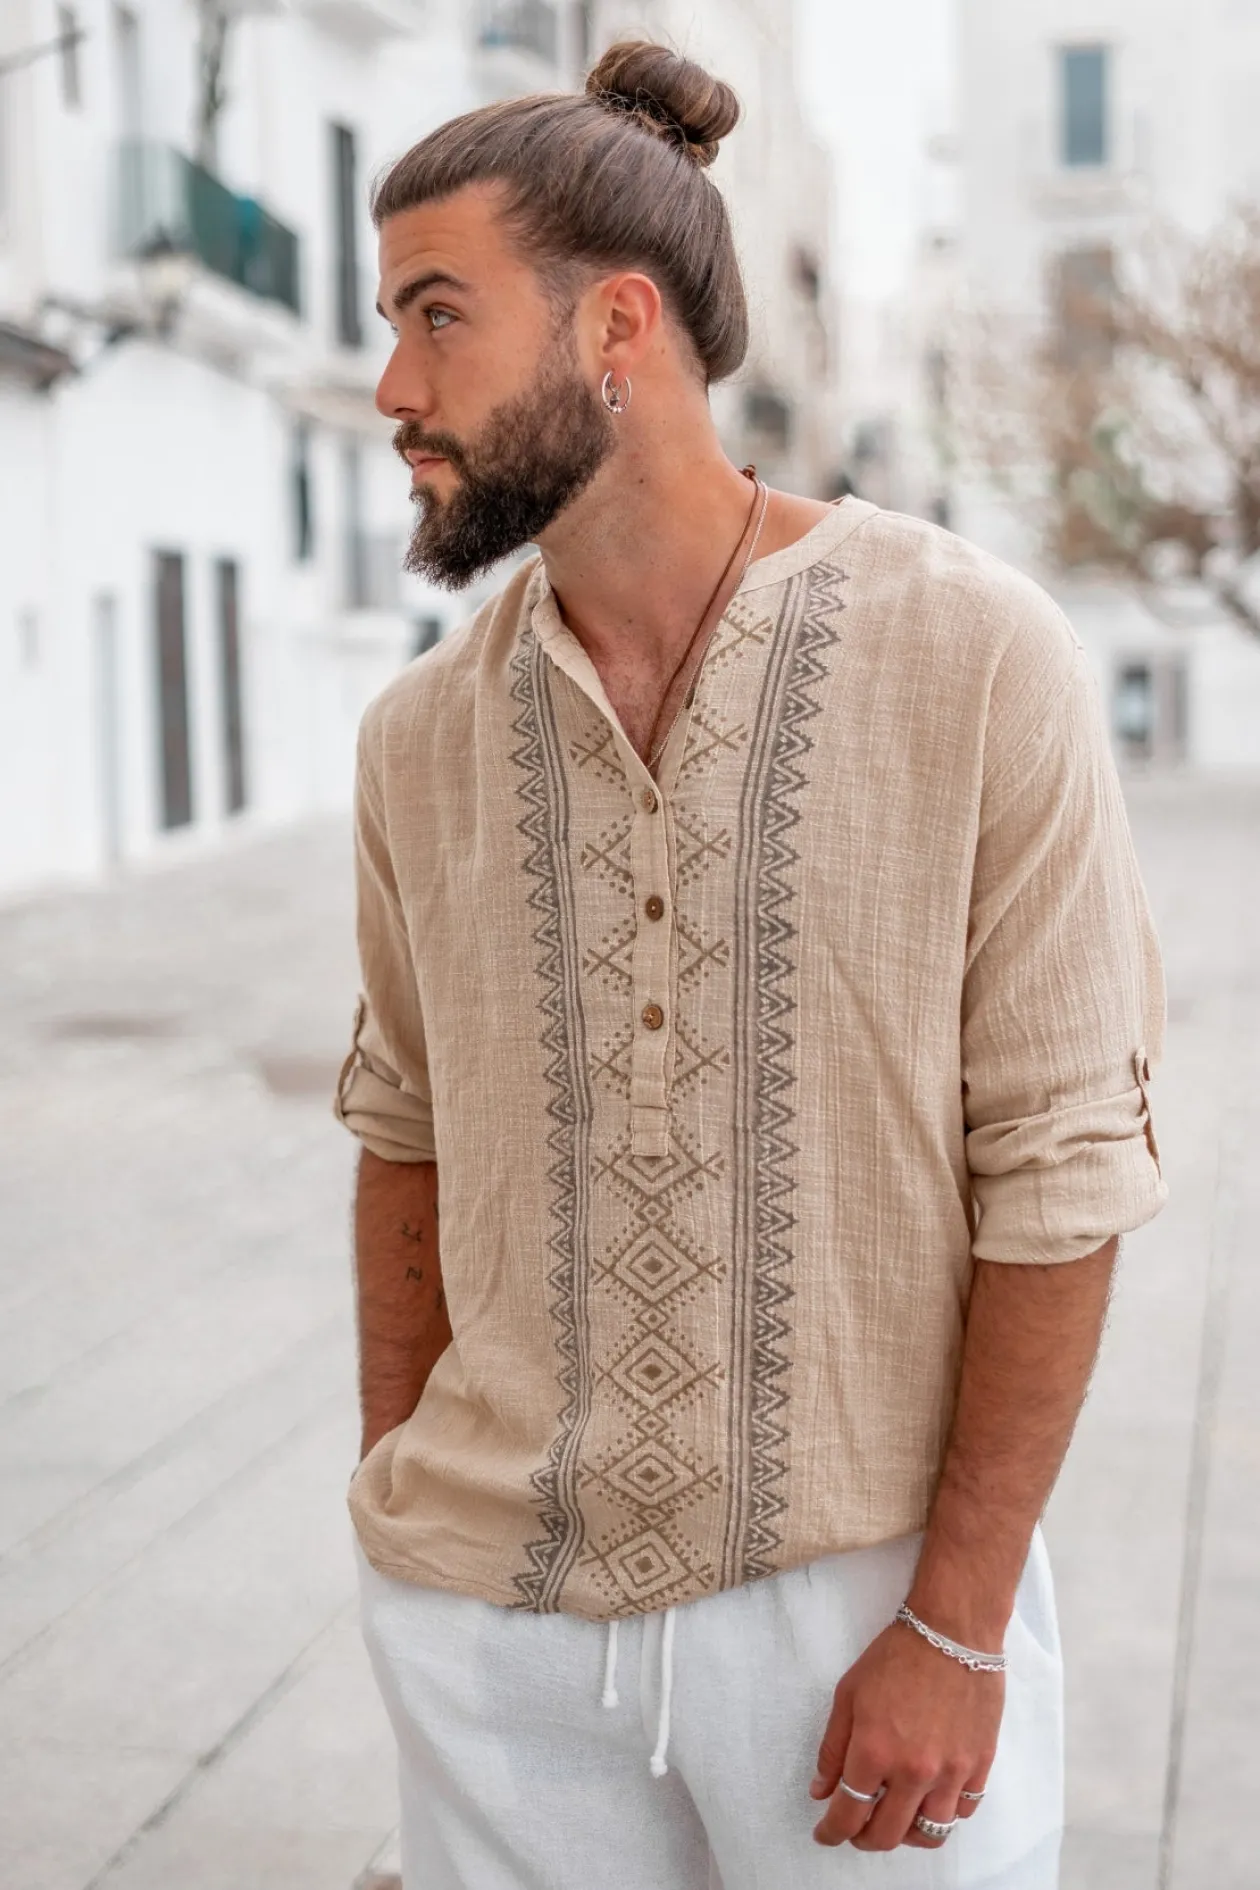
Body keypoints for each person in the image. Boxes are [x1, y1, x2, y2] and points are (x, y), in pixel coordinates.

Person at [334, 40, 1166, 1890]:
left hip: (864, 1623)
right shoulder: (418, 739)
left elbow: (1065, 1166)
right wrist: (407, 1526)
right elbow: (403, 1131)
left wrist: (956, 1622)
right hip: (495, 1630)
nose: (393, 387)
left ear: (615, 326)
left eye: (438, 315)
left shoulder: (977, 655)